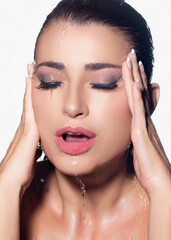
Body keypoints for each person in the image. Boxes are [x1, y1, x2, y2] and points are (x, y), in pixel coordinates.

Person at [0, 0, 171, 239]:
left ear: (148, 103)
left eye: (103, 83)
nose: (72, 106)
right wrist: (6, 191)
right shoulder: (8, 197)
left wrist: (164, 193)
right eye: (51, 82)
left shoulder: (166, 203)